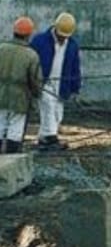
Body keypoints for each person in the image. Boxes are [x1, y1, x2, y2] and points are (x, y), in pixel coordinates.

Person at [30, 12, 82, 151]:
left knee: (58, 112)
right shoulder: (40, 41)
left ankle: (43, 137)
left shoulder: (72, 45)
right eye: (61, 35)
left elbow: (75, 67)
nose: (62, 38)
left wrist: (75, 88)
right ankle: (50, 138)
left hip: (62, 84)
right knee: (48, 107)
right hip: (43, 82)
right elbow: (31, 60)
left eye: (65, 36)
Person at [0, 17, 42, 154]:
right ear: (29, 35)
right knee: (15, 129)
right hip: (20, 98)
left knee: (0, 125)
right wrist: (36, 95)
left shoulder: (2, 48)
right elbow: (35, 81)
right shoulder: (31, 55)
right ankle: (10, 160)